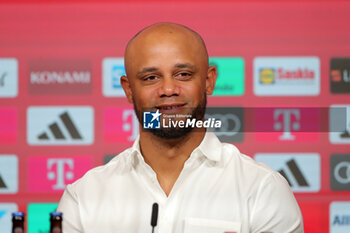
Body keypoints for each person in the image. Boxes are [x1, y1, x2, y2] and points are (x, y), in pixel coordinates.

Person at [57, 22, 304, 233]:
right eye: (151, 78)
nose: (168, 89)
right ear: (129, 89)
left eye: (183, 74)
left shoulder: (262, 189)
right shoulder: (83, 197)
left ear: (209, 81)